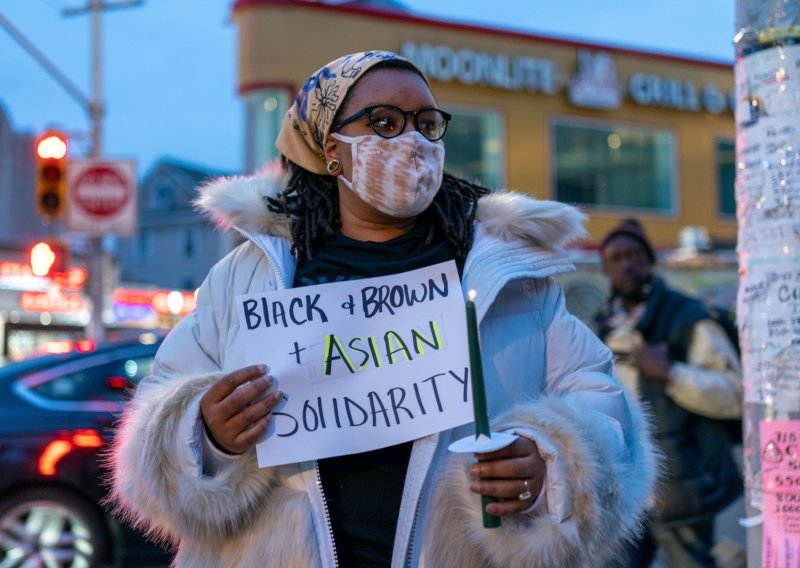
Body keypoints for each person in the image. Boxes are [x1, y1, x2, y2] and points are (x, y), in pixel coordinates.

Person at [110, 51, 657, 567]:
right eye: (385, 123)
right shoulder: (247, 277)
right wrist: (205, 432)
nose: (414, 140)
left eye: (426, 122)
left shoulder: (507, 277)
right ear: (329, 146)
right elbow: (152, 437)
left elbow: (598, 399)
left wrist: (552, 464)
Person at [594, 219, 743, 568]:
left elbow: (736, 395)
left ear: (650, 261)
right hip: (626, 494)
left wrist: (670, 373)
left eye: (634, 255)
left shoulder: (688, 317)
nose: (626, 265)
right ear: (605, 268)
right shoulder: (602, 325)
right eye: (616, 258)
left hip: (684, 492)